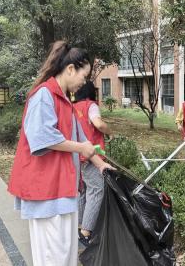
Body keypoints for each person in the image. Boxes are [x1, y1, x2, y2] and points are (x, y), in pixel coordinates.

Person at [7, 41, 114, 266]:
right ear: (70, 69)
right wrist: (81, 149)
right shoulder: (43, 96)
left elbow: (81, 138)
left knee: (65, 255)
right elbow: (41, 137)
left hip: (61, 188)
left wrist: (100, 164)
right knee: (51, 258)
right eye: (83, 77)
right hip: (45, 190)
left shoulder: (64, 100)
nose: (83, 83)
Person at [73, 81, 112, 246]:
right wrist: (110, 131)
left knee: (83, 190)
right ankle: (86, 232)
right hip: (92, 155)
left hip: (76, 155)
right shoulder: (91, 105)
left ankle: (80, 225)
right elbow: (98, 123)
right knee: (96, 191)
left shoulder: (73, 107)